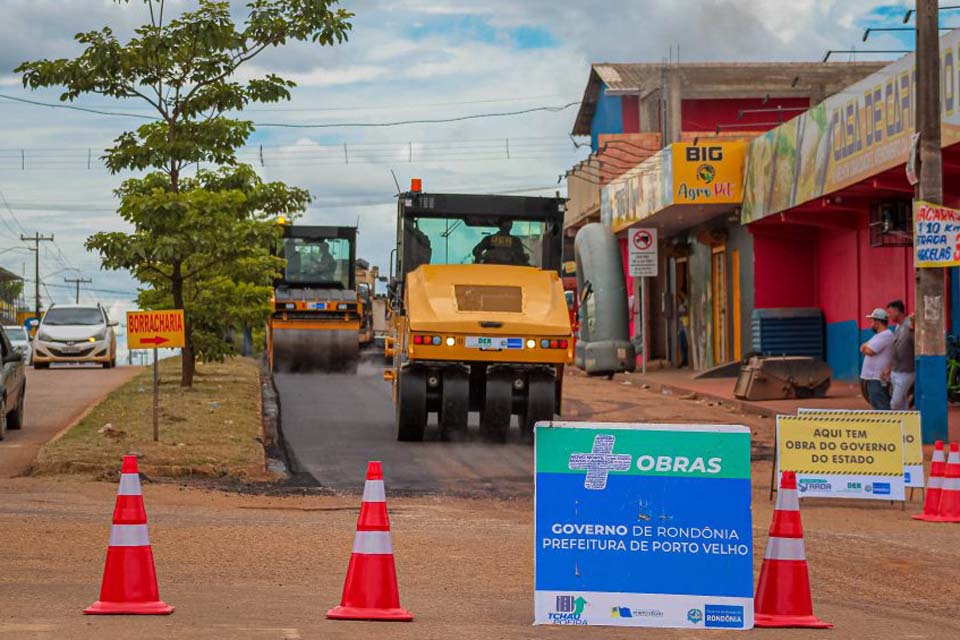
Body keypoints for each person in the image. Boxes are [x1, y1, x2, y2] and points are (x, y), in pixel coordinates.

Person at [860, 308, 894, 410]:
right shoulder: (878, 336)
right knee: (876, 404)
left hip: (877, 378)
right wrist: (864, 348)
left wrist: (864, 348)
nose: (871, 324)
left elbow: (869, 351)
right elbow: (863, 346)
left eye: (872, 321)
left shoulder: (885, 335)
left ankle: (889, 426)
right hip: (872, 378)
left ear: (877, 322)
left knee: (881, 405)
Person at [884, 299, 915, 410]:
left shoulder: (910, 324)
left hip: (907, 372)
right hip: (896, 371)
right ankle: (906, 425)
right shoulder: (898, 327)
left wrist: (913, 326)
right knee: (902, 403)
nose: (888, 315)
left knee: (895, 403)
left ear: (897, 311)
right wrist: (889, 367)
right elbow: (895, 348)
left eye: (890, 312)